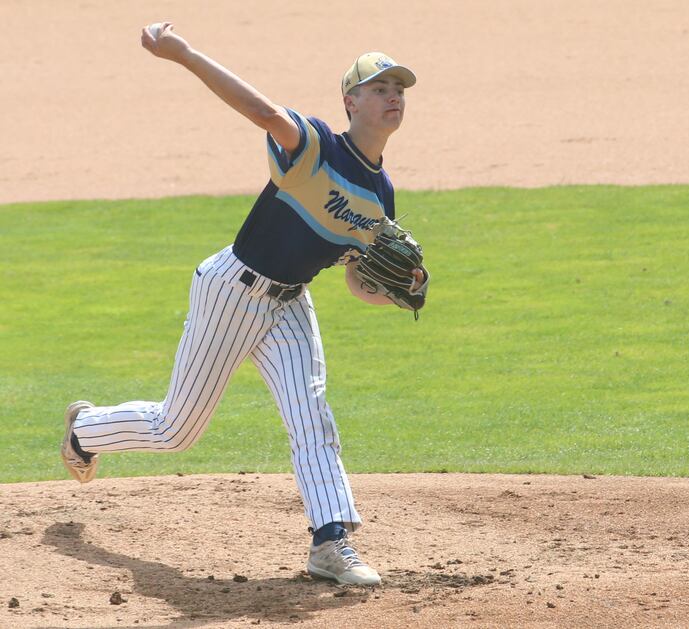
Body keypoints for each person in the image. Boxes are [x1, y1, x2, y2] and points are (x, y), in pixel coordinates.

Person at [60, 22, 424, 587]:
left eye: (398, 88)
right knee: (175, 431)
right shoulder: (316, 145)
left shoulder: (382, 196)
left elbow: (356, 279)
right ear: (351, 101)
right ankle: (87, 428)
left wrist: (390, 292)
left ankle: (331, 542)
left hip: (289, 307)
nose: (392, 96)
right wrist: (182, 54)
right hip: (231, 290)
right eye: (379, 87)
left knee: (311, 415)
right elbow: (257, 108)